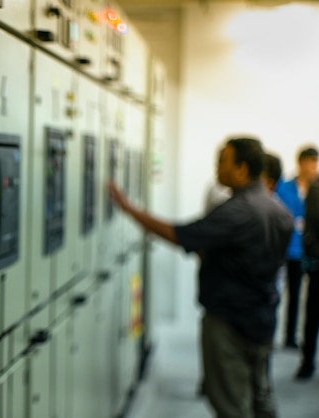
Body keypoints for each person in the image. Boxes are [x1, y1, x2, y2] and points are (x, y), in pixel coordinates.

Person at [108, 137, 293, 417]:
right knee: (260, 396)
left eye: (222, 160)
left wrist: (128, 208)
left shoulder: (237, 211)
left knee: (230, 403)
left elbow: (180, 234)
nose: (216, 166)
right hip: (263, 317)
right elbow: (249, 255)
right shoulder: (279, 211)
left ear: (242, 168)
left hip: (229, 323)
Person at [276, 147, 319, 348]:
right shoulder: (284, 188)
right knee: (290, 294)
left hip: (310, 251)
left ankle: (305, 339)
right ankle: (289, 336)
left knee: (310, 300)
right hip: (289, 249)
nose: (314, 167)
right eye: (311, 162)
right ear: (300, 162)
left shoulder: (316, 189)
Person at [297, 173, 319, 379]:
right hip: (317, 264)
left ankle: (307, 363)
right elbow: (311, 224)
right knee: (312, 315)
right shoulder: (315, 189)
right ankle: (307, 363)